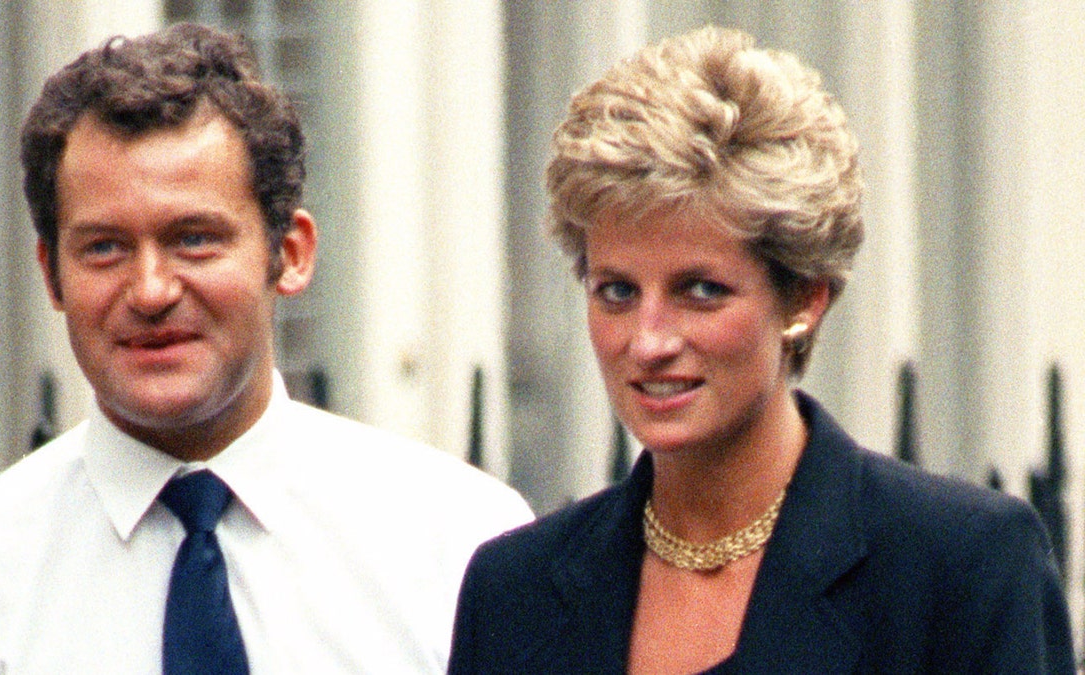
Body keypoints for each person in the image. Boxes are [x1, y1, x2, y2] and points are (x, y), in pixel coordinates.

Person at [0, 23, 532, 673]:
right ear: (52, 273)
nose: (151, 289)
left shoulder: (461, 548)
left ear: (291, 252)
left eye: (194, 238)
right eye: (104, 247)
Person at [448, 25, 1073, 674]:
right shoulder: (514, 590)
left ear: (804, 297)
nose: (649, 339)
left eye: (700, 290)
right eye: (616, 291)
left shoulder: (961, 566)